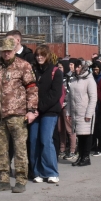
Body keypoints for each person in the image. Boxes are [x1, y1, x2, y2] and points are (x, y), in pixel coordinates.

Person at [0, 37, 38, 193]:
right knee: (0, 149)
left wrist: (32, 110)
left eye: (9, 50)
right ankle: (3, 180)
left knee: (20, 149)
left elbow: (32, 88)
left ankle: (21, 180)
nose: (6, 53)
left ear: (14, 50)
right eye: (4, 51)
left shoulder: (23, 66)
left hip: (17, 114)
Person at [29, 46, 62, 183]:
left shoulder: (56, 72)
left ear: (47, 56)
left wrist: (39, 108)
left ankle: (51, 171)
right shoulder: (33, 71)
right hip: (34, 111)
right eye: (37, 55)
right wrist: (32, 108)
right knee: (33, 140)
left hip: (49, 111)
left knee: (45, 140)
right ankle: (37, 171)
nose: (39, 57)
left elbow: (55, 94)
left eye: (42, 55)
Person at [65, 59, 97, 166]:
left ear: (82, 67)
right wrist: (68, 112)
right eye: (76, 67)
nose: (77, 69)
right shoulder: (74, 79)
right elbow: (69, 97)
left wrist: (89, 114)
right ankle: (80, 156)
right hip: (75, 112)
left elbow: (93, 98)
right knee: (79, 135)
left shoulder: (89, 80)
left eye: (79, 67)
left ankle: (86, 157)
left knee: (86, 135)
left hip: (85, 113)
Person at [57, 59, 76, 161]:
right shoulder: (59, 77)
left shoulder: (71, 78)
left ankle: (73, 150)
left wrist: (64, 102)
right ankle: (62, 149)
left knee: (69, 129)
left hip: (67, 106)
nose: (59, 69)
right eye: (58, 67)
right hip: (58, 106)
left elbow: (69, 92)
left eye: (61, 67)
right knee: (60, 129)